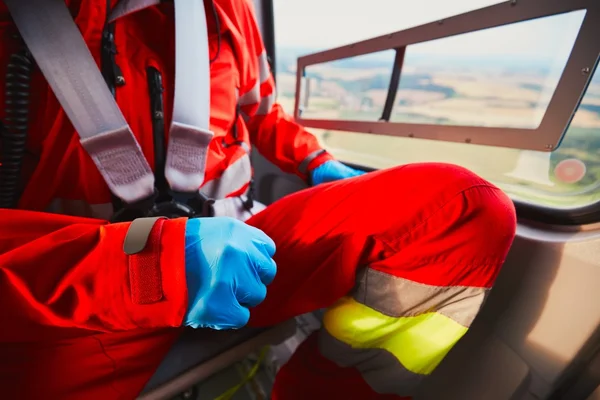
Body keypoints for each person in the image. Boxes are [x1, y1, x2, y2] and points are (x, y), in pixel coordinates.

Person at [0, 0, 517, 399]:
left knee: (461, 210)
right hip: (77, 297)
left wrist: (314, 160)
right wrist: (141, 267)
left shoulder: (225, 10)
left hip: (246, 250)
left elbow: (262, 109)